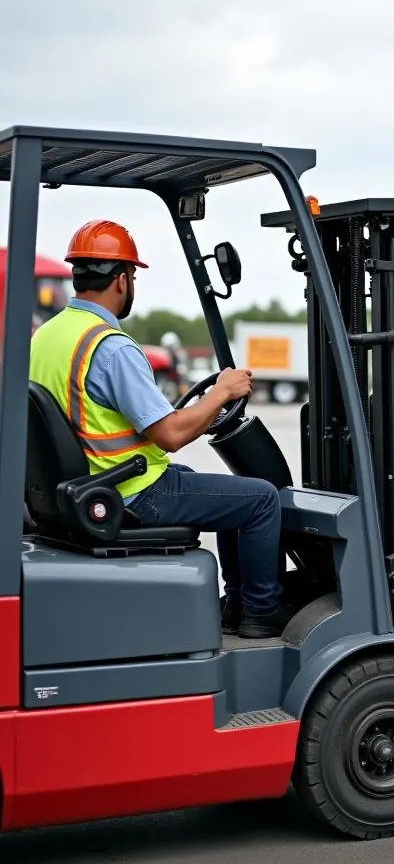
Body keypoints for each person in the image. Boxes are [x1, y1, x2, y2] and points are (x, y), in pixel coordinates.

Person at [28, 219, 292, 639]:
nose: (132, 284)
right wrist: (221, 392)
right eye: (132, 276)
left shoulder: (48, 336)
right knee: (260, 498)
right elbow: (170, 435)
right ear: (120, 280)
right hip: (130, 490)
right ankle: (262, 611)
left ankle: (234, 606)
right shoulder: (110, 347)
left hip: (85, 484)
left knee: (216, 491)